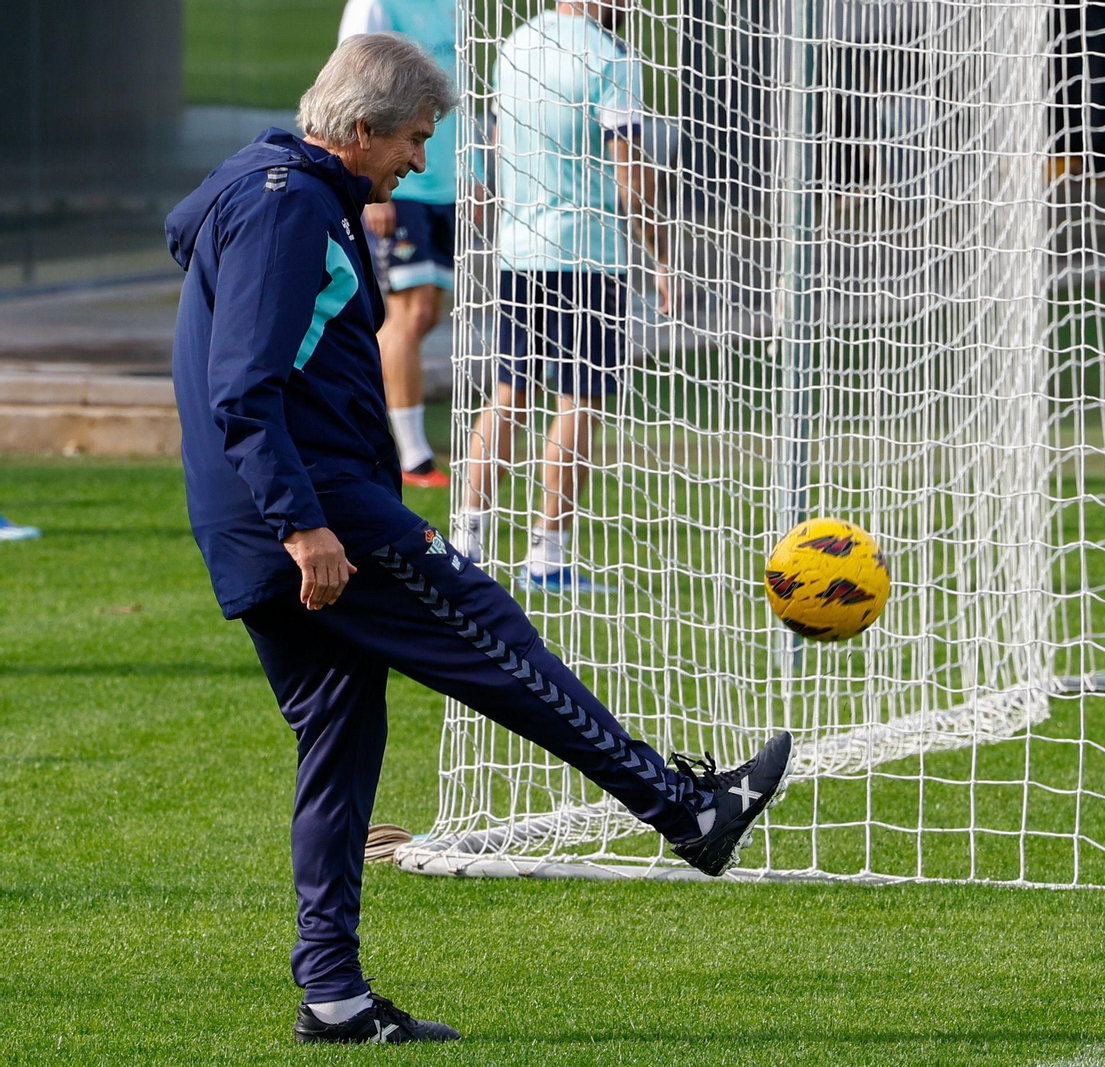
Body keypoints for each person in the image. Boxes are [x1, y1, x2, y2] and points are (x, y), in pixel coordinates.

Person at [165, 33, 791, 1045]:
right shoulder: (288, 208)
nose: (421, 161)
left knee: (339, 743)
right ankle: (686, 810)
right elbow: (242, 388)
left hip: (258, 517)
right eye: (413, 140)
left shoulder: (265, 186)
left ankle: (334, 994)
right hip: (312, 511)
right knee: (496, 635)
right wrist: (306, 524)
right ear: (359, 128)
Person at [451, 0, 672, 592]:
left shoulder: (515, 44)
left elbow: (497, 144)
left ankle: (466, 543)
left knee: (509, 393)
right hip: (587, 254)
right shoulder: (610, 57)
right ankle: (547, 557)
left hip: (518, 251)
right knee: (579, 400)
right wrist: (661, 254)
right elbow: (631, 176)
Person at [337, 0, 456, 489]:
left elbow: (460, 92)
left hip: (447, 184)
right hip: (399, 183)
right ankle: (411, 454)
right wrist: (366, 188)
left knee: (426, 315)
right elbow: (353, 84)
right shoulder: (375, 5)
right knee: (407, 312)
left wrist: (474, 171)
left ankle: (382, 428)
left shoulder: (453, 6)